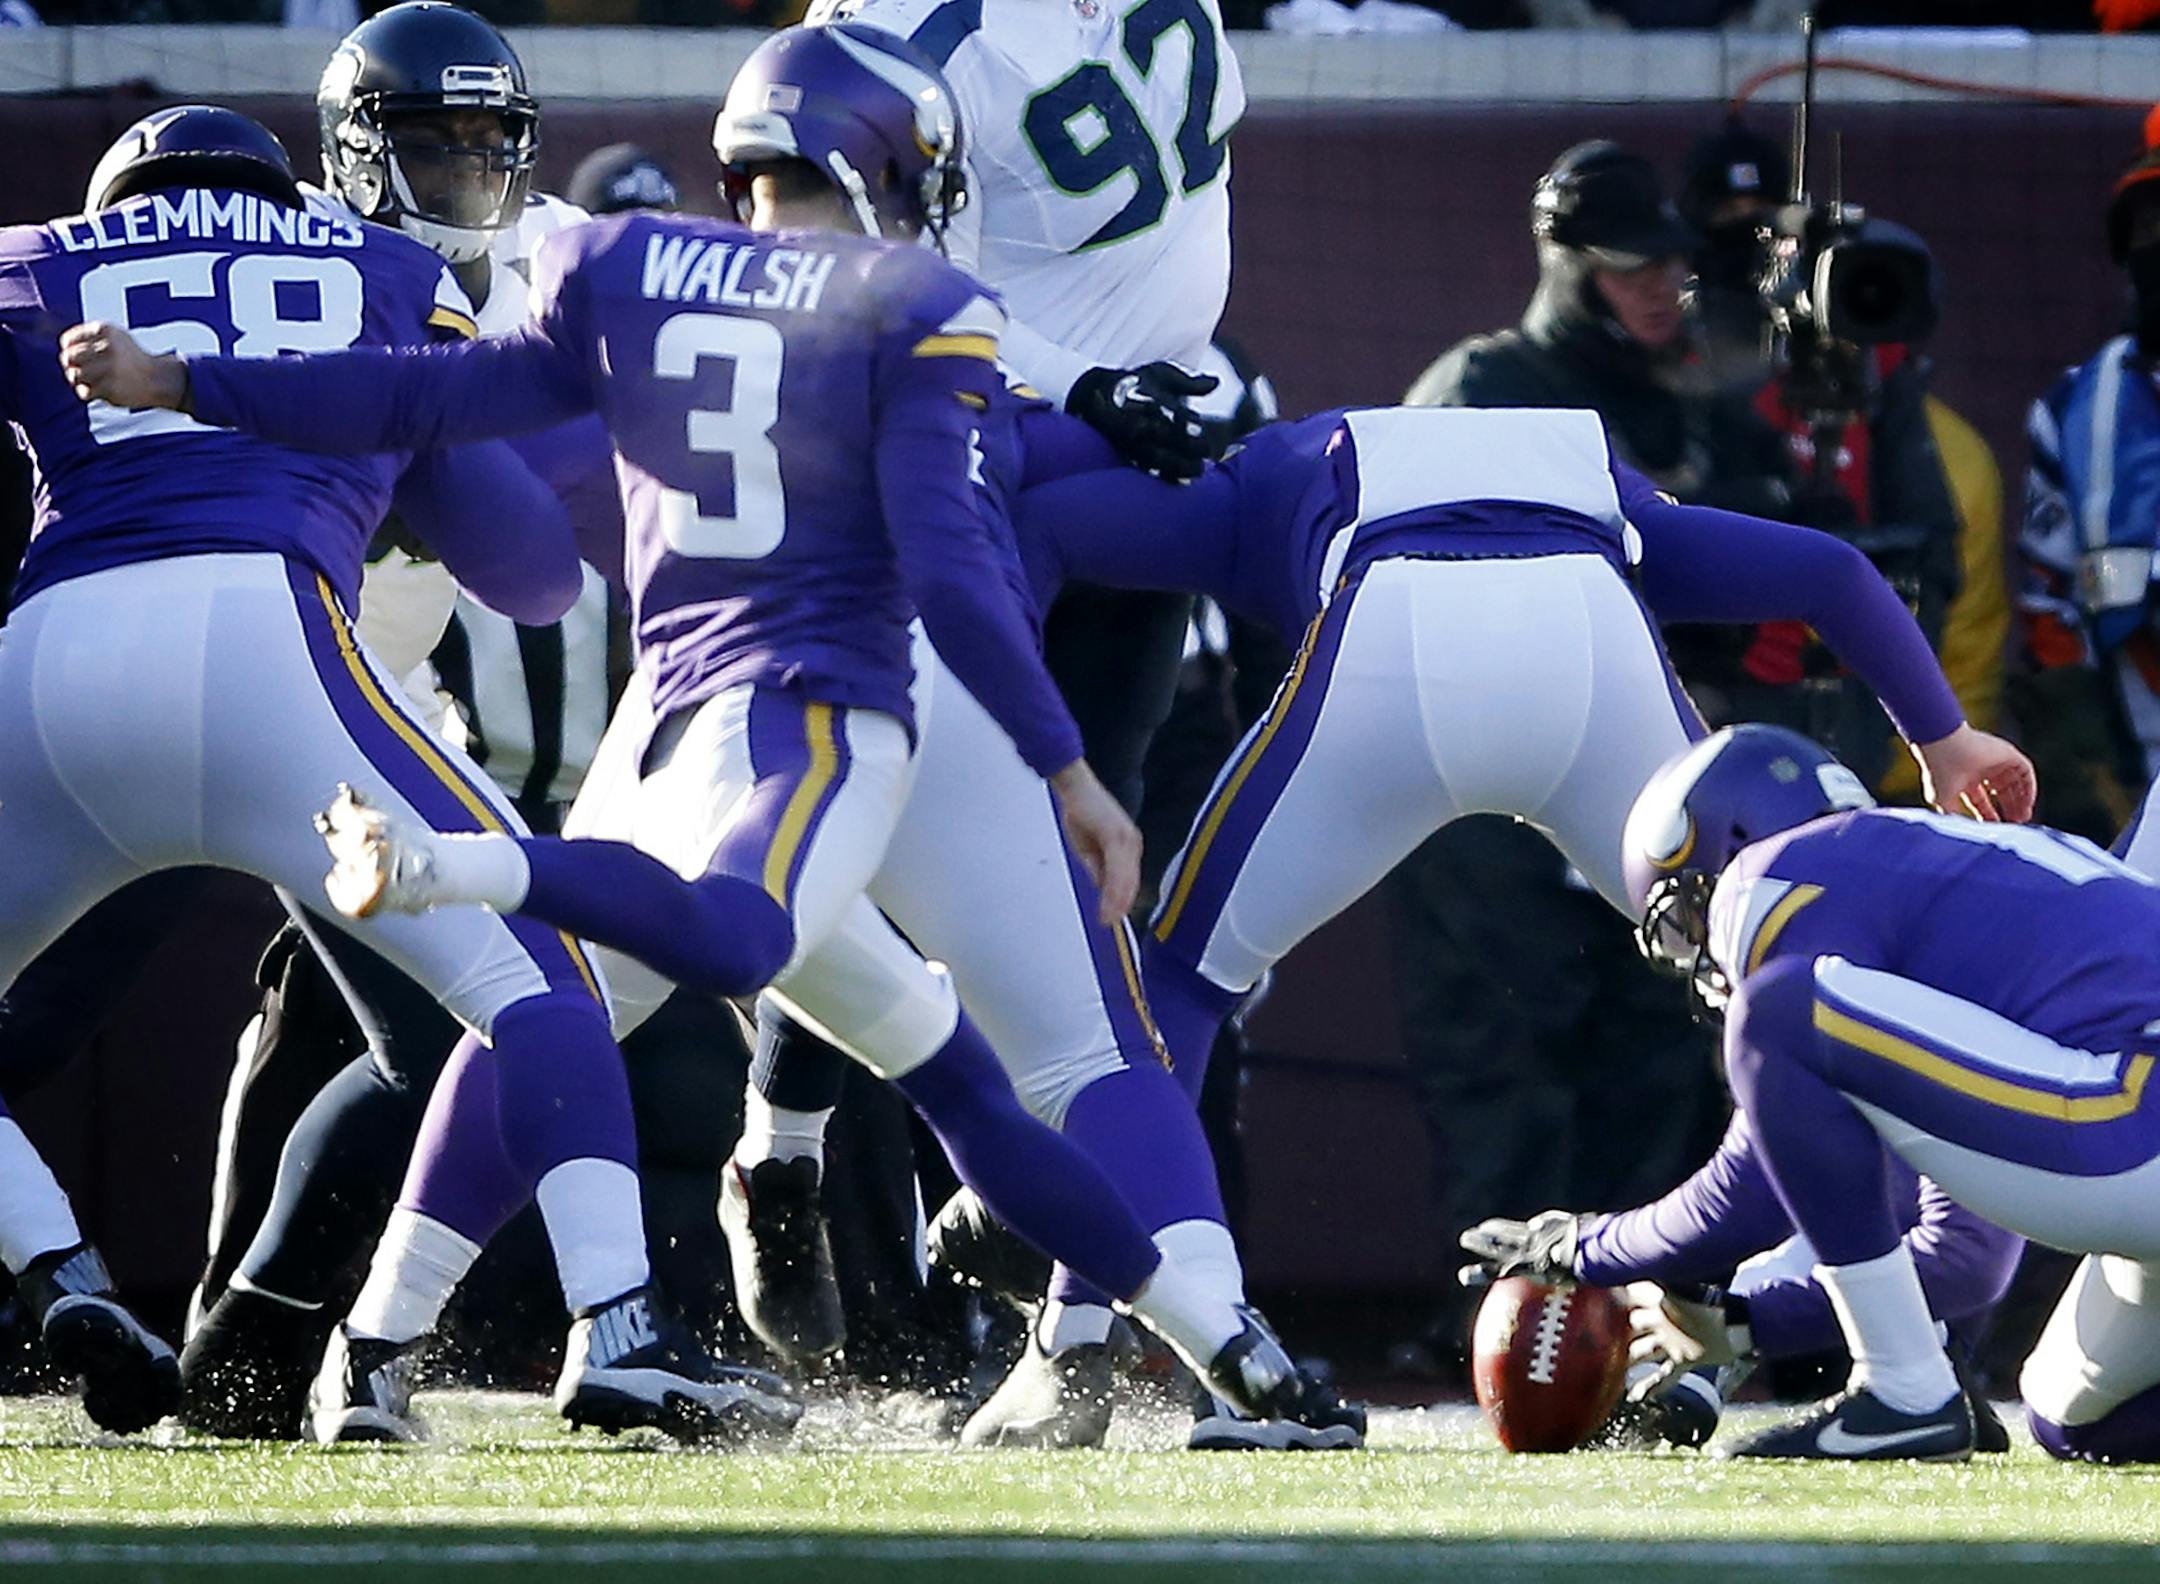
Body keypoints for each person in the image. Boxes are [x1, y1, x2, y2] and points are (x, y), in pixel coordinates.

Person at [65, 24, 1351, 1444]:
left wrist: (191, 384)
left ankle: (375, 1345)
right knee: (1067, 1058)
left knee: (559, 1013)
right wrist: (1070, 760)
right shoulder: (921, 301)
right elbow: (954, 566)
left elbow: (422, 400)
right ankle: (1236, 1355)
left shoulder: (620, 272)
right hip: (856, 711)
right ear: (890, 169)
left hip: (680, 725)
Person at [0, 104, 779, 1446]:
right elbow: (530, 574)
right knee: (542, 982)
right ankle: (622, 1327)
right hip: (273, 650)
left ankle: (57, 1273)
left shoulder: (31, 258)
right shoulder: (388, 272)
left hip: (54, 649)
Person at [745, 0, 1250, 1449]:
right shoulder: (906, 25)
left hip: (1143, 462)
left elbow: (1166, 233)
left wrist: (1153, 379)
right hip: (978, 451)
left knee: (1099, 878)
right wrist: (1084, 375)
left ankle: (1063, 1324)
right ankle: (781, 1143)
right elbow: (870, 265)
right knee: (880, 818)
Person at [179, 0, 650, 1441]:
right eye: (432, 145)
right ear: (353, 149)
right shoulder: (307, 264)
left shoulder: (549, 255)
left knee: (349, 1023)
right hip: (269, 673)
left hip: (383, 701)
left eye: (485, 144)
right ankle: (254, 1339)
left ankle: (242, 1349)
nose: (466, 174)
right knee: (428, 1020)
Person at [1603, 723, 2160, 1461]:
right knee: (2076, 1418)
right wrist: (1741, 1322)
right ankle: (1912, 1387)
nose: (1706, 962)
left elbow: (1762, 1196)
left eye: (1689, 925)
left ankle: (1904, 1391)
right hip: (2130, 1138)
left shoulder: (1782, 878)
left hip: (2136, 1119)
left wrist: (1589, 1250)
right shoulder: (1980, 913)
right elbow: (1958, 1247)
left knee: (1780, 1017)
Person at [1457, 1105, 2026, 1453]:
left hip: (2113, 1198)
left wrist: (1751, 1321)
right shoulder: (1826, 973)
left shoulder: (1823, 983)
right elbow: (1743, 1194)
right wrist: (1590, 1249)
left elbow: (1966, 1260)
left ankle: (1926, 1370)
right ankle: (1933, 1357)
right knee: (2073, 1421)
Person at [2016, 106, 2160, 846]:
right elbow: (2049, 612)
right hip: (2140, 793)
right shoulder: (2076, 409)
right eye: (2150, 230)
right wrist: (2098, 774)